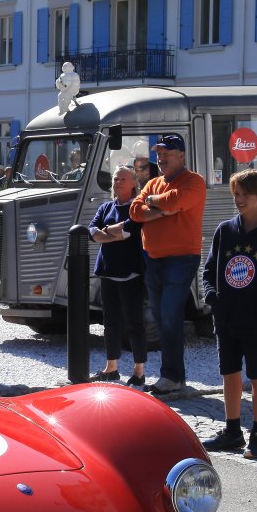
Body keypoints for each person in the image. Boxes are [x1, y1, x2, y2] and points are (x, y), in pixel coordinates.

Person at [200, 170, 257, 459]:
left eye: (245, 194)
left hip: (256, 320)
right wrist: (212, 297)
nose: (239, 199)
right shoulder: (225, 230)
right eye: (236, 194)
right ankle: (232, 431)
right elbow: (208, 271)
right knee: (229, 375)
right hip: (226, 318)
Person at [128, 134, 207, 397]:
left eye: (167, 154)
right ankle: (174, 376)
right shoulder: (153, 182)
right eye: (159, 154)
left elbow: (174, 201)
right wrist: (161, 208)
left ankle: (171, 376)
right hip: (153, 258)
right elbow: (134, 211)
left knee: (169, 316)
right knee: (161, 317)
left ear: (181, 155)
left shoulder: (194, 182)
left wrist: (152, 202)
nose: (160, 158)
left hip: (181, 258)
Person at [87, 165, 147, 387]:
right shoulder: (105, 207)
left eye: (123, 179)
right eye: (115, 179)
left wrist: (106, 233)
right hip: (108, 272)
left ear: (133, 183)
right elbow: (92, 231)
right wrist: (112, 234)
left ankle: (139, 371)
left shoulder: (136, 208)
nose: (118, 183)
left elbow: (129, 231)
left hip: (131, 274)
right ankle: (111, 368)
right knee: (110, 322)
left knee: (134, 323)